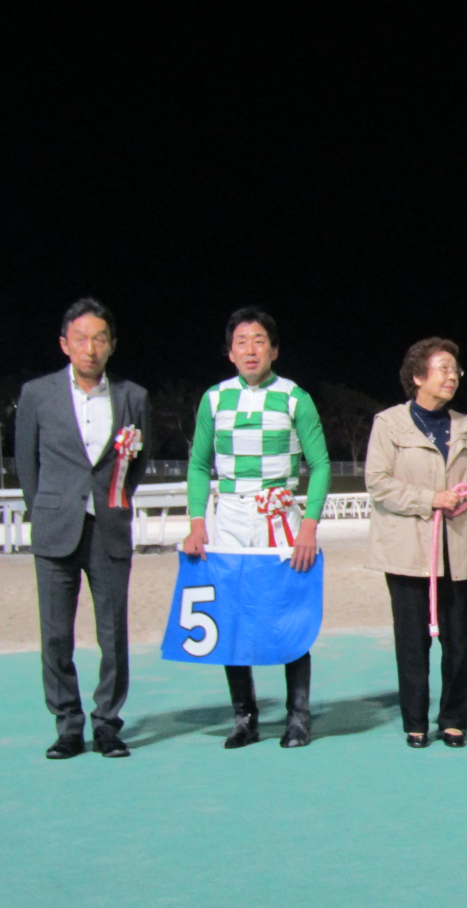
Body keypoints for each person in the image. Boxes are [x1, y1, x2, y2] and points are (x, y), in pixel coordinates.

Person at [182, 307, 331, 749]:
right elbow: (197, 465)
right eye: (242, 341)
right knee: (232, 617)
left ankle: (297, 717)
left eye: (260, 340)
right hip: (227, 518)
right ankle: (244, 717)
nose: (251, 348)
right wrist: (196, 523)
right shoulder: (214, 398)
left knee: (288, 613)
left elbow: (320, 465)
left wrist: (308, 527)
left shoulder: (294, 397)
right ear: (230, 352)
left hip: (280, 518)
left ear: (275, 350)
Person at [15, 298, 151, 760]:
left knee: (113, 633)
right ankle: (68, 725)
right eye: (81, 338)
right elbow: (26, 464)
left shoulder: (134, 396)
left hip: (108, 527)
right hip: (56, 528)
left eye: (99, 338)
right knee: (55, 634)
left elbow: (137, 464)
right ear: (64, 344)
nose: (90, 347)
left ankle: (108, 723)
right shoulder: (37, 394)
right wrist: (46, 509)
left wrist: (110, 503)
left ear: (111, 345)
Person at [364, 338, 467, 748]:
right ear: (418, 377)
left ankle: (454, 719)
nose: (452, 376)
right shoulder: (389, 423)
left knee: (458, 641)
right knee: (412, 641)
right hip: (407, 552)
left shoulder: (464, 425)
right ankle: (415, 721)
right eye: (443, 369)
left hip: (455, 549)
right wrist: (429, 499)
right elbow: (378, 483)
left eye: (455, 369)